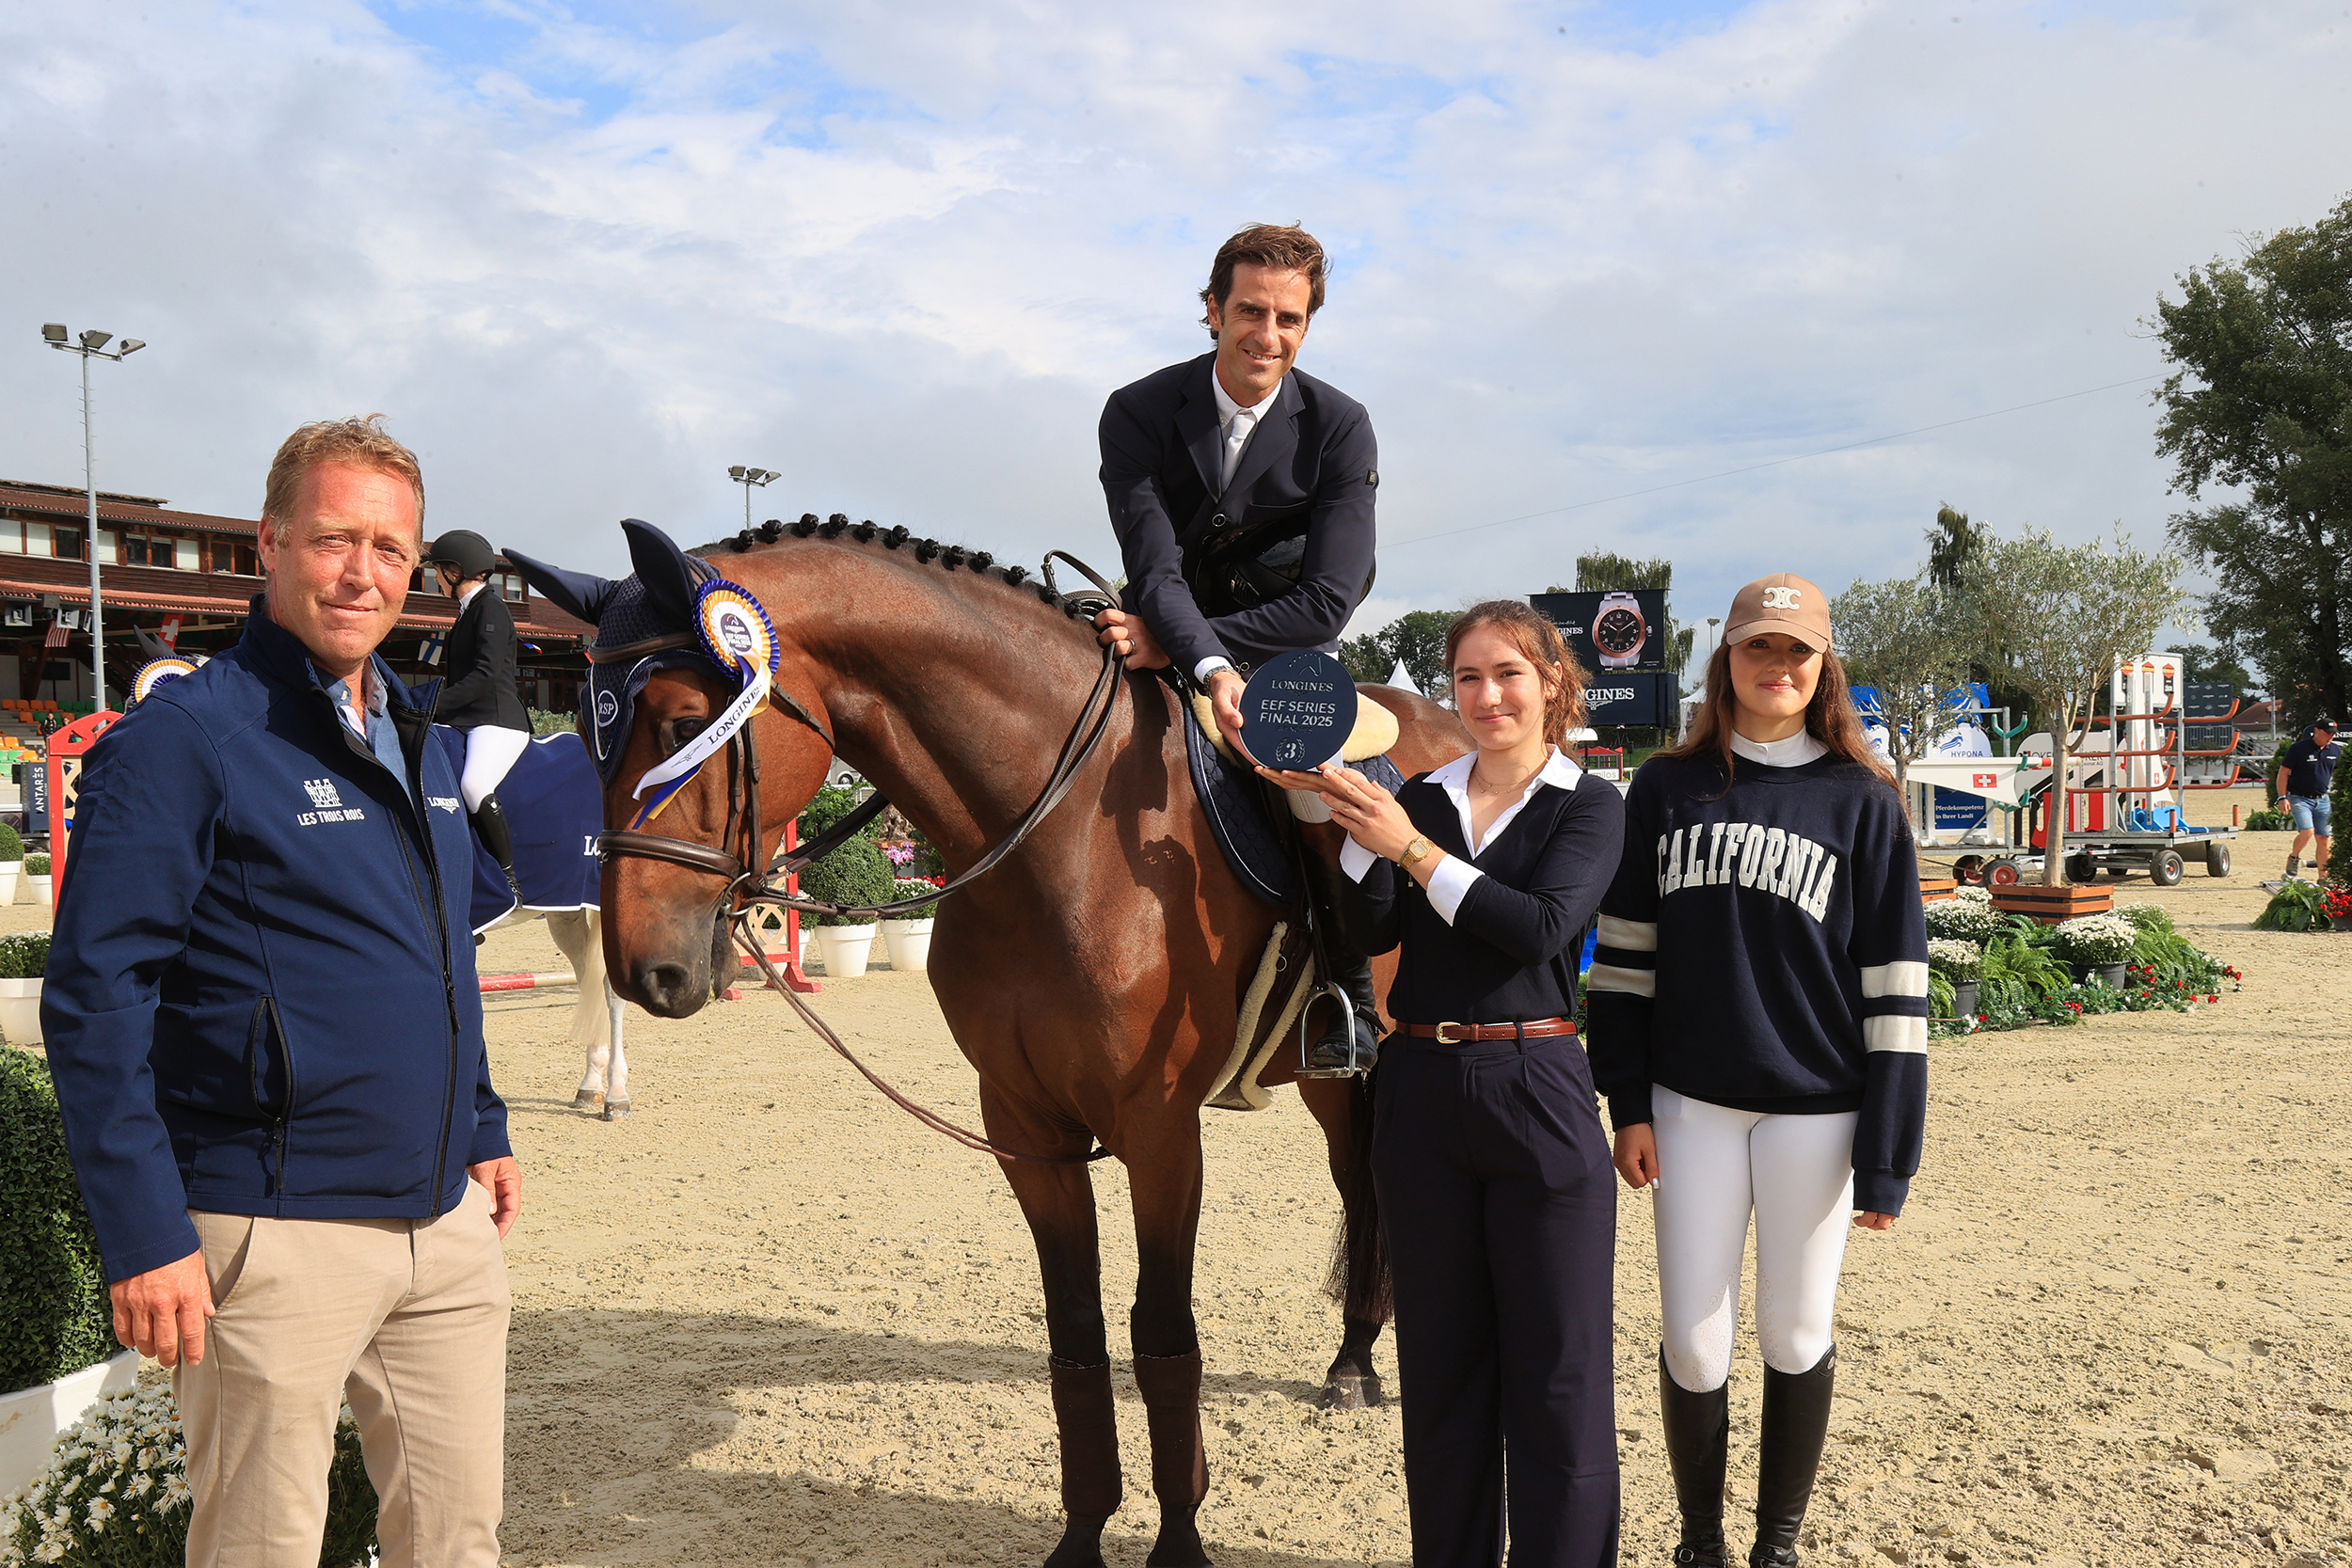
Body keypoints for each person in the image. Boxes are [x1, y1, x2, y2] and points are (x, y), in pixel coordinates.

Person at [43, 416, 519, 1568]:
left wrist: (482, 1121)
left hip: (444, 1226)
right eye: (333, 538)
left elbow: (438, 952)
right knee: (262, 1548)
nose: (362, 572)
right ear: (270, 542)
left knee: (460, 1539)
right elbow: (96, 994)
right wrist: (144, 1231)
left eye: (389, 549)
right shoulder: (187, 738)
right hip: (273, 1227)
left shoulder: (418, 732)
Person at [1264, 600, 1627, 1566]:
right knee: (1440, 1373)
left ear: (1552, 681)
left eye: (1508, 673)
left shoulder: (1588, 804)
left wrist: (1411, 847)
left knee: (1558, 1377)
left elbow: (1537, 928)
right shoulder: (1420, 795)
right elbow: (1374, 927)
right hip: (1420, 1086)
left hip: (1537, 1080)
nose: (1487, 694)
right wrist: (1337, 811)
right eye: (1468, 677)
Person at [1586, 574, 1928, 1568]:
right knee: (1694, 1341)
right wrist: (1628, 1100)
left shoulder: (1864, 799)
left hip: (1818, 1110)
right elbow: (1623, 963)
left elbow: (1897, 987)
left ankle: (1775, 1547)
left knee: (1795, 1332)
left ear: (1824, 668)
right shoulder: (1665, 787)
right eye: (1758, 647)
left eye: (1797, 650)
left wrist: (1887, 1154)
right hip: (1689, 1105)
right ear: (1725, 659)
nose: (1777, 666)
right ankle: (1701, 1542)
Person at [1093, 220, 1385, 1072]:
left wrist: (1187, 647)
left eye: (1289, 319)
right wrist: (1195, 655)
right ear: (1213, 310)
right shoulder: (1138, 410)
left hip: (1284, 643)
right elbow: (1153, 566)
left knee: (1317, 783)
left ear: (1307, 325)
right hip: (1157, 621)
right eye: (1251, 311)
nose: (1268, 334)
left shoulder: (1341, 425)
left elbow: (1328, 601)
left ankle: (1348, 995)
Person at [424, 528, 532, 896]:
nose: (435, 579)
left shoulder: (491, 608)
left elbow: (485, 675)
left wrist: (435, 706)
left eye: (438, 572)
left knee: (474, 786)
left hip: (497, 720)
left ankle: (509, 880)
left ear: (456, 571)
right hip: (468, 719)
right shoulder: (467, 611)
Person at [2273, 715, 2339, 881]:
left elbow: (2340, 774)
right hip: (2299, 798)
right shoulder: (2298, 749)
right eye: (2327, 733)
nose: (2330, 736)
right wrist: (2282, 797)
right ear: (2317, 731)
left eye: (2333, 734)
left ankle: (2324, 878)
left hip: (2323, 799)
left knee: (2324, 838)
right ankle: (2294, 857)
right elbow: (2283, 773)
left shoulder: (2335, 750)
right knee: (2308, 831)